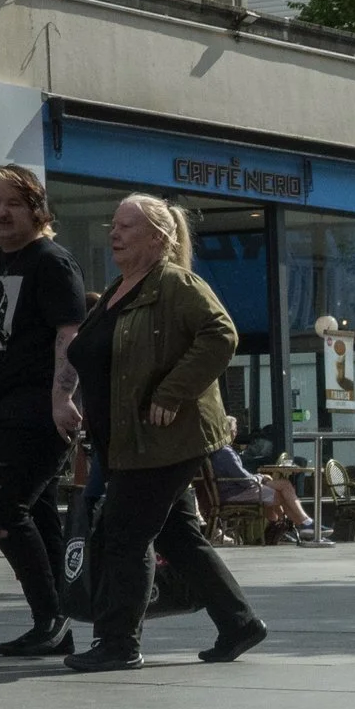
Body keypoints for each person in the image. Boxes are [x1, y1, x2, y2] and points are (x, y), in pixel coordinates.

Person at [57, 195, 267, 672]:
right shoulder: (118, 289)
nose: (114, 233)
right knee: (176, 535)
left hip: (163, 440)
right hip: (124, 441)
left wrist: (172, 393)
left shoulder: (175, 283)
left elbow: (221, 334)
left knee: (124, 535)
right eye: (113, 224)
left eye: (126, 226)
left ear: (158, 236)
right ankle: (239, 623)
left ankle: (118, 643)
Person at [0, 164, 89, 657]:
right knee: (38, 518)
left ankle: (52, 618)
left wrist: (62, 399)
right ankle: (63, 617)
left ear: (37, 209)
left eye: (12, 203)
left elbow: (70, 333)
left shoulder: (51, 262)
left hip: (36, 410)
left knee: (1, 505)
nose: (0, 212)